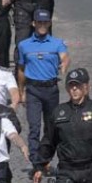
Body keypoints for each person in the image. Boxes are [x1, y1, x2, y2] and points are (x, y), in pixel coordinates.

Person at [16, 9, 69, 167]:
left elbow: (65, 57)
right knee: (34, 126)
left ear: (49, 23)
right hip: (33, 90)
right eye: (39, 22)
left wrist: (64, 64)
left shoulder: (57, 43)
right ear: (33, 23)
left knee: (51, 126)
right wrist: (21, 91)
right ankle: (35, 160)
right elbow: (21, 69)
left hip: (51, 89)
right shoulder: (24, 45)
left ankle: (46, 157)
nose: (42, 25)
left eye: (45, 22)